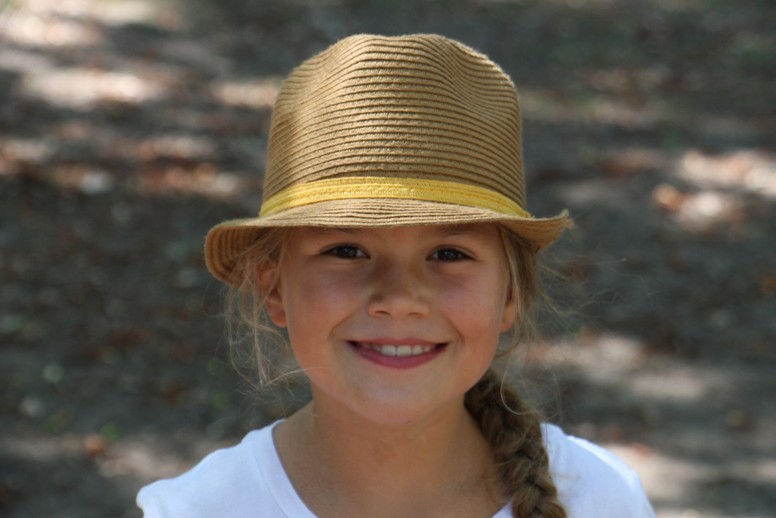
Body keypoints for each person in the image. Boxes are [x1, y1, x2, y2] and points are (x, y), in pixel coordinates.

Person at [137, 34, 654, 517]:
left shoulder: (601, 498)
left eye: (448, 253)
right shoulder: (194, 510)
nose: (400, 298)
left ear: (509, 294)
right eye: (347, 250)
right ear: (274, 288)